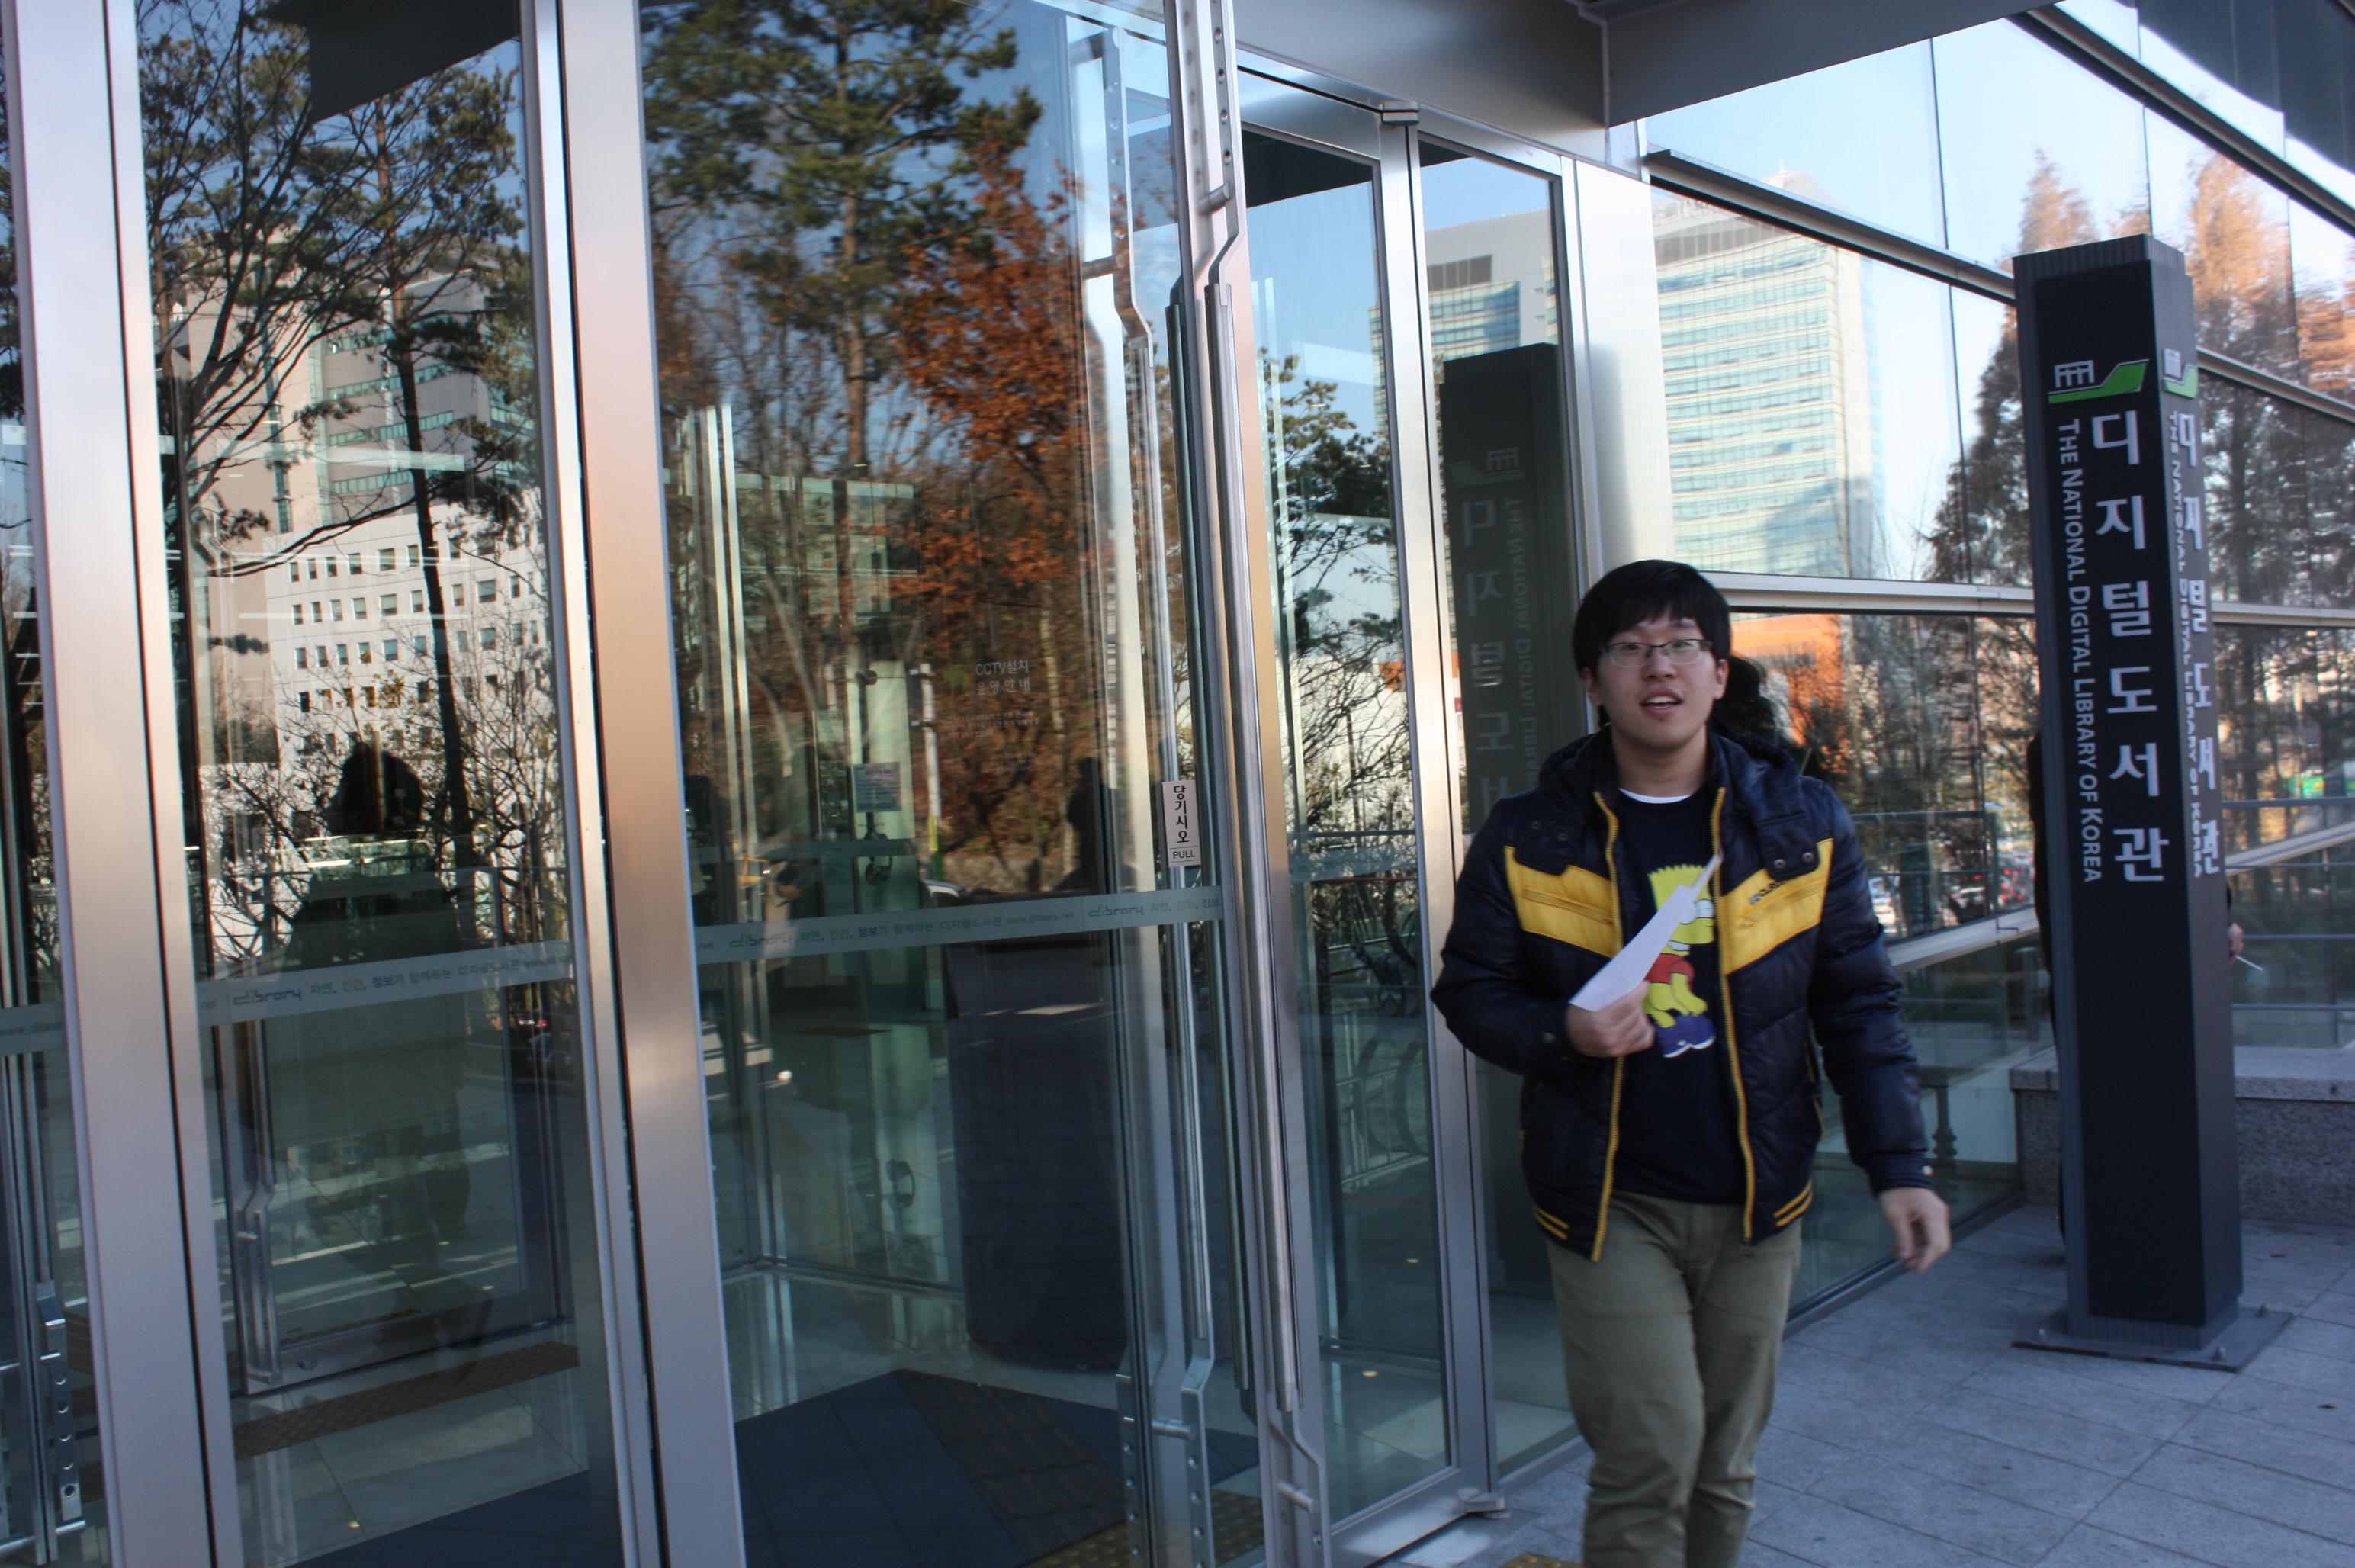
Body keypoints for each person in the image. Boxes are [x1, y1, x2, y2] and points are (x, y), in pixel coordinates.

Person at [1431, 560, 1949, 1568]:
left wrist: (1900, 1166)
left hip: (1758, 1199)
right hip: (1609, 1197)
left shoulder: (1802, 824)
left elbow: (1859, 1004)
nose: (1657, 668)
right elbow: (1471, 992)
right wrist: (1565, 1031)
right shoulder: (1532, 834)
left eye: (1680, 646)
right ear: (1594, 680)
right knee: (1651, 1457)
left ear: (1718, 672)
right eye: (1629, 649)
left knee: (1724, 1466)